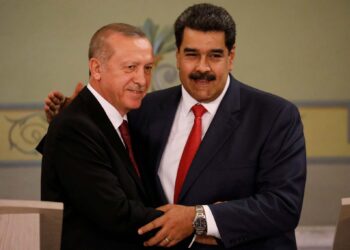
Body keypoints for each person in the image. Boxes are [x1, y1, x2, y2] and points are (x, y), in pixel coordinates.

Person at [43, 3, 307, 250]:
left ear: (231, 56)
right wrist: (75, 116)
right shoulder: (143, 110)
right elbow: (101, 172)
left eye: (215, 55)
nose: (202, 68)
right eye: (192, 54)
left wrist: (199, 218)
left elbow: (283, 206)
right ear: (177, 56)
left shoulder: (275, 116)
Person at [40, 22, 181, 250]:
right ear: (96, 69)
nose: (142, 80)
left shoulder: (128, 121)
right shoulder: (75, 127)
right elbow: (116, 214)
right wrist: (192, 223)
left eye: (147, 68)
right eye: (130, 67)